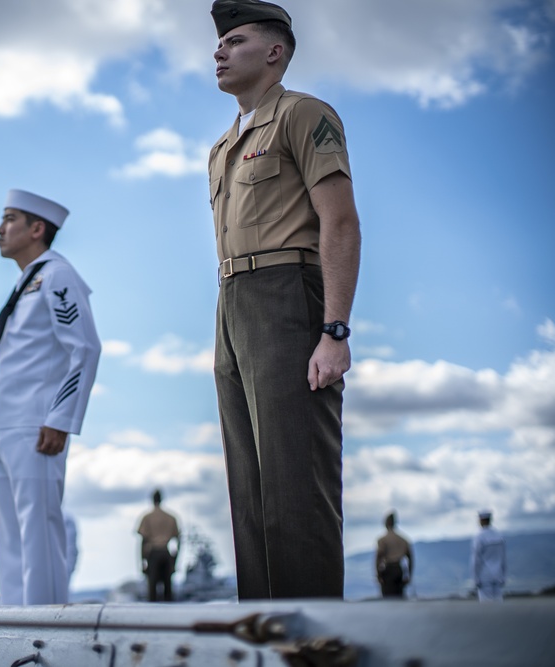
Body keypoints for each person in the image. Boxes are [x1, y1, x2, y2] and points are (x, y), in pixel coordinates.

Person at [207, 0, 361, 599]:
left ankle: (313, 640)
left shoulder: (304, 115)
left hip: (287, 296)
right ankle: (262, 637)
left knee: (297, 486)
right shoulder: (222, 147)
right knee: (248, 491)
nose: (219, 51)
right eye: (219, 43)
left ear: (274, 52)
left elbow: (340, 223)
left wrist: (335, 330)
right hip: (231, 301)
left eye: (234, 41)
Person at [0, 189, 101, 605]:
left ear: (37, 229)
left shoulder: (56, 275)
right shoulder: (26, 280)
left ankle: (47, 628)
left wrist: (61, 418)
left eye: (10, 219)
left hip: (35, 424)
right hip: (4, 426)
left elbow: (84, 347)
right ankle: (15, 624)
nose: (0, 229)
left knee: (38, 533)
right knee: (11, 538)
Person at [137, 489, 181, 602]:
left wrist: (142, 561)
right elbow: (178, 540)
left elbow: (143, 541)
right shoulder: (171, 517)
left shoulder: (147, 517)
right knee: (168, 588)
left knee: (152, 589)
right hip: (166, 553)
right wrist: (175, 559)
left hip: (153, 553)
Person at [375, 511, 413, 598]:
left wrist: (378, 574)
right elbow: (410, 558)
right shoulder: (403, 540)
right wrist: (409, 575)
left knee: (387, 598)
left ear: (386, 523)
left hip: (388, 570)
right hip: (399, 570)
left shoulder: (383, 540)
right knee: (399, 596)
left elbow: (378, 558)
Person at [472, 509, 506, 602]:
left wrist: (476, 578)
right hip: (498, 574)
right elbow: (502, 558)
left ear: (481, 520)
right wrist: (503, 575)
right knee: (499, 603)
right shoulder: (499, 535)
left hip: (484, 576)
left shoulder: (479, 536)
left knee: (486, 607)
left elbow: (476, 560)